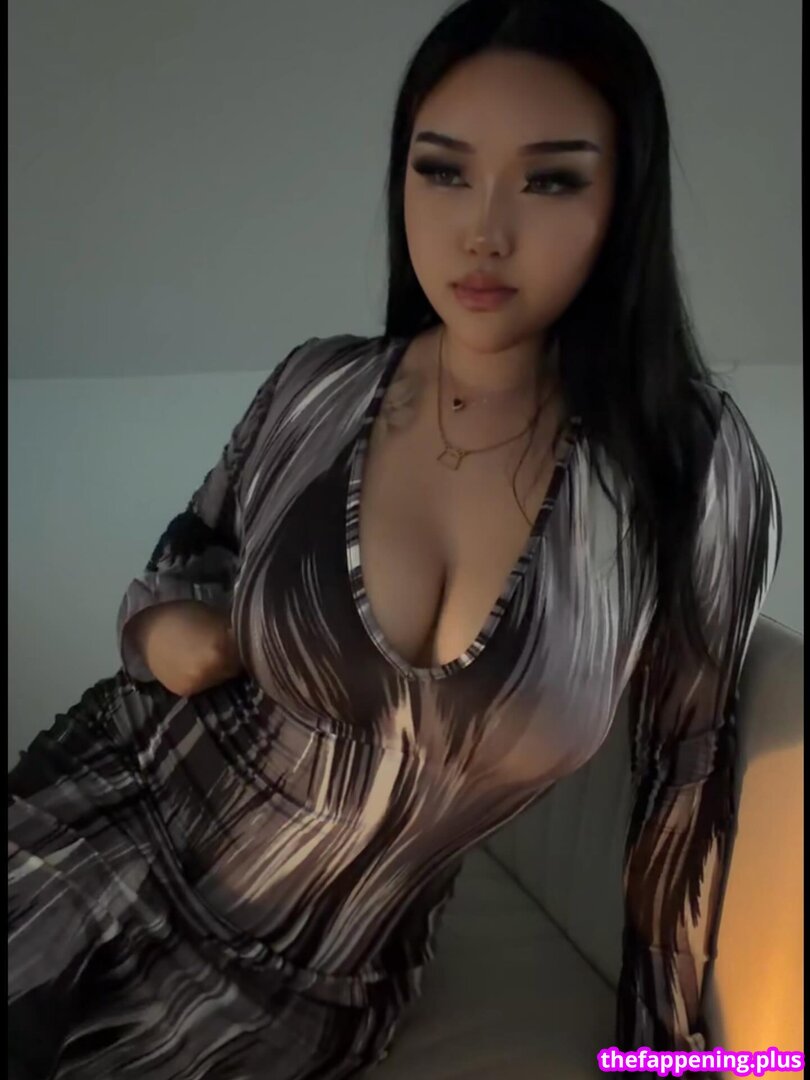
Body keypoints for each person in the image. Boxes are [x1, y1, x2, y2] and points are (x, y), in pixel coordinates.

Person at [8, 1, 783, 1077]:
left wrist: (663, 1060)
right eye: (443, 171)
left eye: (550, 181)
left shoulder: (687, 466)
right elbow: (182, 560)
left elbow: (685, 786)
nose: (483, 231)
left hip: (307, 988)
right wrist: (170, 632)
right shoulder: (321, 388)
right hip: (111, 818)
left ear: (625, 202)